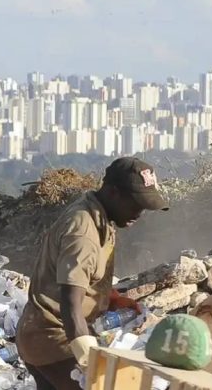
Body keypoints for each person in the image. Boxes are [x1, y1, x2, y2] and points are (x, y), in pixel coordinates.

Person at [15, 157, 169, 390]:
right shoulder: (83, 232)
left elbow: (83, 277)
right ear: (113, 192)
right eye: (135, 204)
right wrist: (89, 361)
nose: (139, 213)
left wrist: (111, 298)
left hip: (39, 335)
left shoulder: (98, 216)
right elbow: (70, 304)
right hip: (54, 340)